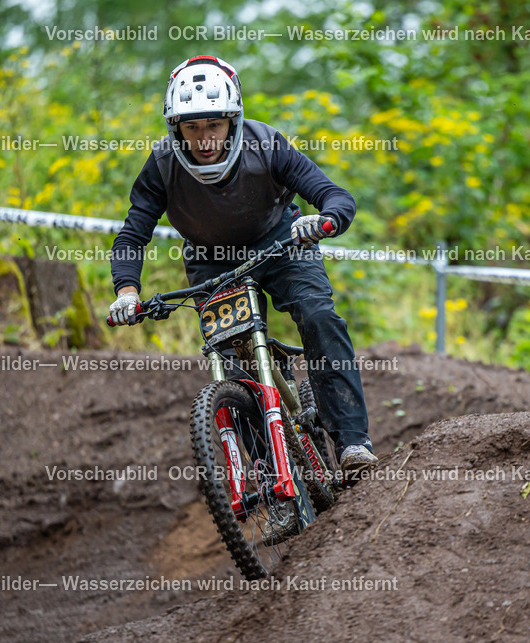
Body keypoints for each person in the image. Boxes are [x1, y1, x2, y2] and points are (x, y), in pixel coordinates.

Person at [109, 55, 377, 479]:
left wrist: (324, 220)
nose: (204, 138)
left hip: (281, 243)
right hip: (210, 257)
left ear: (232, 120)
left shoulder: (267, 145)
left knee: (318, 315)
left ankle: (351, 442)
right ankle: (273, 474)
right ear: (175, 126)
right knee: (235, 362)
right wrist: (126, 290)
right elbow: (132, 235)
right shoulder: (162, 165)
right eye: (191, 127)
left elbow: (335, 196)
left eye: (213, 125)